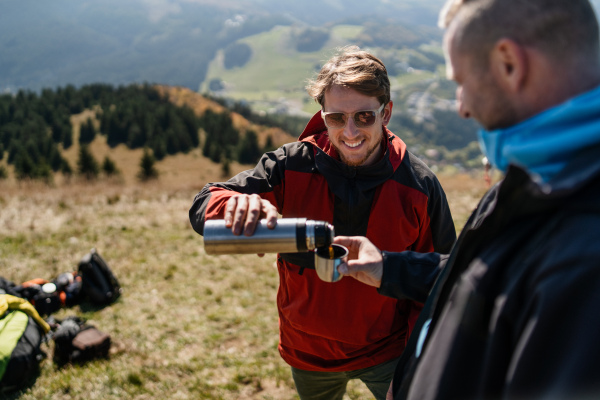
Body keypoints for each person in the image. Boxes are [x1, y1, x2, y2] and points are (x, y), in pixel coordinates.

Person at [334, 0, 600, 399]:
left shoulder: (584, 249)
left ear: (509, 63)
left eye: (461, 82)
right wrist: (388, 268)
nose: (461, 106)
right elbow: (486, 278)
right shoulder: (540, 180)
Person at [189, 46, 456, 400]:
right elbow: (203, 203)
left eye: (364, 116)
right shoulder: (291, 164)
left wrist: (413, 367)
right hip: (307, 352)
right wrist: (236, 205)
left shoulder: (418, 187)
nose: (349, 132)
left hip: (387, 354)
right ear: (322, 114)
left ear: (386, 113)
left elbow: (440, 284)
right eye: (335, 118)